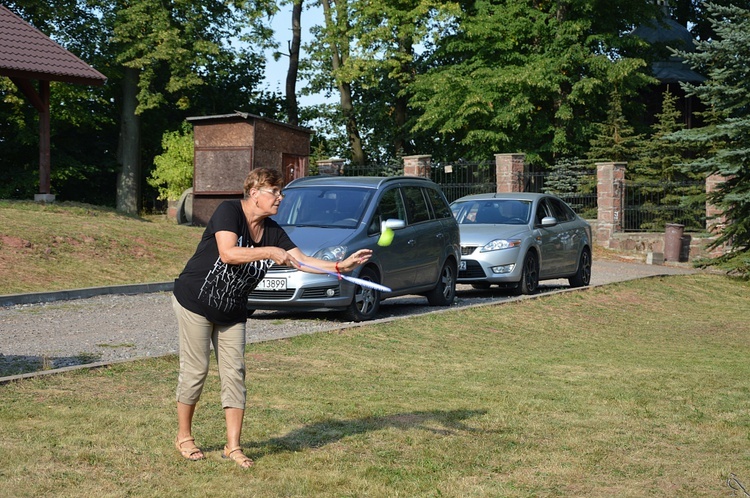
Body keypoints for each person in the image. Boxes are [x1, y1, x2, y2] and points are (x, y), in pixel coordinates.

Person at [172, 167, 372, 468]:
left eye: (281, 192)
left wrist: (340, 266)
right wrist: (268, 252)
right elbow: (228, 253)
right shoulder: (229, 212)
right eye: (275, 192)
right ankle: (184, 437)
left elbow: (302, 260)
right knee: (196, 371)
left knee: (235, 375)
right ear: (254, 193)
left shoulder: (274, 231)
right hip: (195, 302)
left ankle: (233, 447)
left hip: (233, 310)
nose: (281, 197)